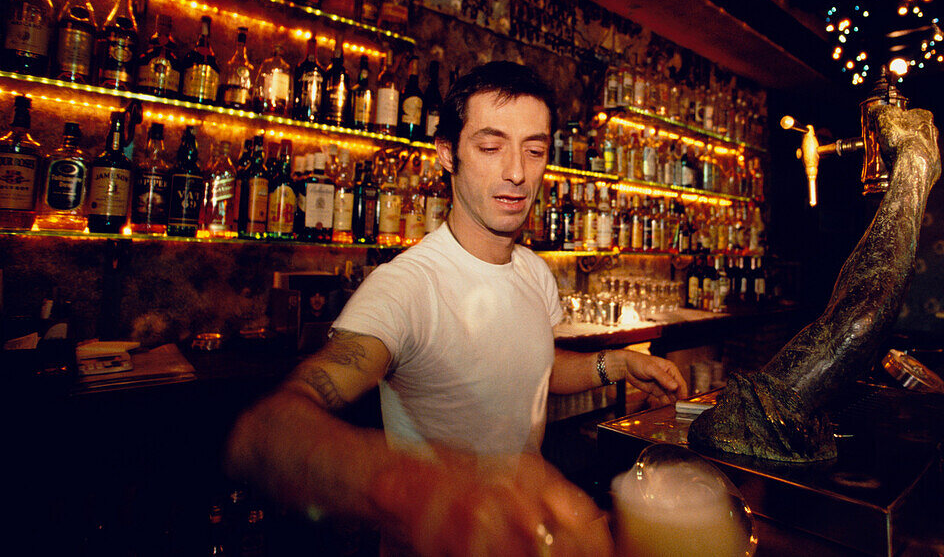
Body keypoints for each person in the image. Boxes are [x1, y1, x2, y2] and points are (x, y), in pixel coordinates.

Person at [225, 62, 687, 556]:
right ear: (447, 154)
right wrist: (429, 490)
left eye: (534, 150)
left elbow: (532, 368)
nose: (516, 172)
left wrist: (618, 364)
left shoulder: (533, 271)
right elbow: (266, 432)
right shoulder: (405, 286)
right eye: (490, 147)